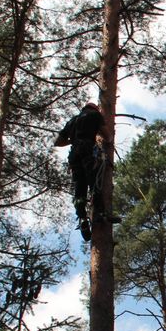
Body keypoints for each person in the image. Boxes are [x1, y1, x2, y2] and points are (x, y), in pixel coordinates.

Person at [55, 101, 112, 241]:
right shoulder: (95, 115)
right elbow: (107, 136)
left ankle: (82, 218)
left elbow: (57, 142)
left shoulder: (73, 120)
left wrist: (73, 140)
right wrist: (106, 138)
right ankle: (100, 213)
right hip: (87, 150)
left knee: (79, 187)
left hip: (74, 155)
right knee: (94, 181)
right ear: (95, 108)